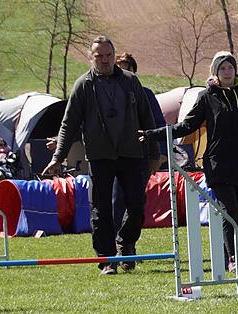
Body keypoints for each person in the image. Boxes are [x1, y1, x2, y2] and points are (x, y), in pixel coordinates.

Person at [141, 51, 238, 272]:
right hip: (218, 163)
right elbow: (186, 126)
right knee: (228, 209)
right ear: (216, 71)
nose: (227, 72)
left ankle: (226, 259)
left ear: (235, 70)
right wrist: (152, 134)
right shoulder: (207, 97)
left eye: (230, 68)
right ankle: (233, 258)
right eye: (222, 68)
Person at [42, 36, 159, 275]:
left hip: (132, 154)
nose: (104, 60)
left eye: (108, 55)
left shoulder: (130, 81)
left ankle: (126, 243)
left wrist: (155, 153)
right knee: (100, 210)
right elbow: (68, 125)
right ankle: (107, 260)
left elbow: (148, 119)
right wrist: (58, 158)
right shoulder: (83, 85)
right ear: (91, 58)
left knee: (137, 206)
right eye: (99, 56)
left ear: (113, 56)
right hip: (99, 156)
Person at [112, 52, 167, 233]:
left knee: (135, 202)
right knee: (116, 200)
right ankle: (118, 245)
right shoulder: (107, 96)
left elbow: (159, 125)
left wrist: (160, 154)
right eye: (119, 71)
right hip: (113, 156)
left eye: (127, 71)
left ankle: (128, 243)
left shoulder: (146, 95)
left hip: (141, 156)